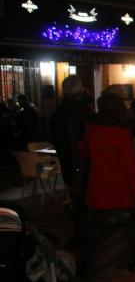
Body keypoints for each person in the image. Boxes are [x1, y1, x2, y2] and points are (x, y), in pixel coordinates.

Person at [78, 92, 135, 275]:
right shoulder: (122, 134)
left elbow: (83, 154)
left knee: (95, 230)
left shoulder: (91, 132)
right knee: (132, 227)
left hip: (98, 189)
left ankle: (82, 262)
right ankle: (134, 258)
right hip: (121, 190)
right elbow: (130, 167)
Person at [50, 76, 94, 251]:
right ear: (80, 91)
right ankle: (84, 239)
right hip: (81, 165)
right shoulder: (82, 112)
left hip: (69, 164)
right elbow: (80, 144)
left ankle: (82, 235)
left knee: (78, 203)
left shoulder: (58, 113)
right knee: (83, 202)